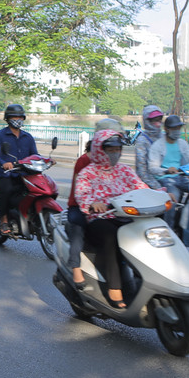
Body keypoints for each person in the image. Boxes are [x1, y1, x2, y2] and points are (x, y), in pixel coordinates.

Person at [74, 129, 149, 308]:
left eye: (117, 150)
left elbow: (141, 187)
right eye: (110, 150)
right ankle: (114, 288)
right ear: (100, 149)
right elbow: (81, 195)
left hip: (125, 216)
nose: (115, 154)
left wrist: (162, 194)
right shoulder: (88, 172)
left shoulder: (124, 170)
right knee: (110, 237)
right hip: (100, 219)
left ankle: (145, 280)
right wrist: (94, 203)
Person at [66, 118, 123, 289]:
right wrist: (91, 202)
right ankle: (75, 267)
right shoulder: (85, 160)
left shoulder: (116, 162)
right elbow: (80, 190)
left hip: (107, 209)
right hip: (80, 205)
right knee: (77, 229)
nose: (114, 151)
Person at [0, 104, 38, 236]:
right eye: (14, 117)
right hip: (6, 175)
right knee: (7, 190)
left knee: (36, 190)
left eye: (20, 117)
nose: (17, 119)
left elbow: (35, 155)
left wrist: (46, 160)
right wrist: (4, 163)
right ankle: (3, 220)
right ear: (8, 118)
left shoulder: (28, 137)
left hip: (24, 174)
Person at [148, 114, 189, 228]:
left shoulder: (182, 143)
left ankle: (185, 219)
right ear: (166, 129)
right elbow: (152, 168)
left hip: (180, 177)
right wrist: (166, 170)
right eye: (174, 128)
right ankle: (169, 228)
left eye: (178, 128)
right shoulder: (158, 145)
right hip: (165, 179)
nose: (177, 131)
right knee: (173, 198)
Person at [134, 105, 164, 189]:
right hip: (149, 184)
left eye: (159, 120)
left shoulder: (163, 137)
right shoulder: (142, 141)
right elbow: (142, 172)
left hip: (165, 177)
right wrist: (157, 187)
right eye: (154, 120)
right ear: (147, 121)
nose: (157, 123)